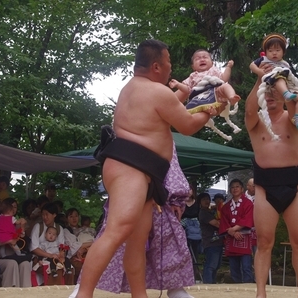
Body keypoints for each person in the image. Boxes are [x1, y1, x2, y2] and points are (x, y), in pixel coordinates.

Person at [76, 39, 219, 298]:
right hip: (131, 167)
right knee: (117, 230)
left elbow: (165, 111)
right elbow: (187, 125)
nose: (170, 68)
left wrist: (190, 97)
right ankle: (83, 294)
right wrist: (212, 110)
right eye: (168, 63)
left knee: (136, 241)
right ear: (156, 66)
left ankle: (139, 295)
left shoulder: (131, 89)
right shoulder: (156, 91)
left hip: (140, 170)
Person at [69, 143, 195, 298]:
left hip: (160, 193)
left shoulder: (162, 130)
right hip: (126, 185)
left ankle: (175, 287)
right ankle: (83, 287)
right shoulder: (124, 126)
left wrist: (175, 198)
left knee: (167, 243)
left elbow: (170, 159)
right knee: (113, 239)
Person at [246, 62, 298, 297]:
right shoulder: (255, 122)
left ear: (283, 97)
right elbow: (250, 111)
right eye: (267, 93)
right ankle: (260, 292)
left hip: (294, 183)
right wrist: (260, 79)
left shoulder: (294, 118)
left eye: (275, 92)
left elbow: (295, 100)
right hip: (265, 186)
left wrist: (280, 75)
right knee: (264, 242)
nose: (271, 96)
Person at [249, 33, 298, 130]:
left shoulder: (285, 64)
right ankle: (285, 93)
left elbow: (290, 78)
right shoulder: (264, 60)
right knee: (279, 79)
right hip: (273, 81)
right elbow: (252, 65)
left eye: (277, 50)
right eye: (270, 51)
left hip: (287, 87)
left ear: (283, 52)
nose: (274, 53)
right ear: (265, 52)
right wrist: (260, 72)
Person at [169, 49, 240, 110]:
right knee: (188, 109)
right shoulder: (193, 76)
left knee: (226, 86)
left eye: (205, 57)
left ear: (212, 63)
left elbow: (224, 79)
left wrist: (228, 67)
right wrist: (178, 85)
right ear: (193, 67)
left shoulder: (214, 70)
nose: (202, 60)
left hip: (216, 92)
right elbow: (187, 90)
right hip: (199, 97)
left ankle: (231, 97)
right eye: (197, 59)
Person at [219, 179, 254, 283]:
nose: (235, 189)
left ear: (242, 189)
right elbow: (224, 222)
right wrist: (233, 232)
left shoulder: (248, 204)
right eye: (232, 187)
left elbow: (247, 219)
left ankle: (248, 289)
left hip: (244, 237)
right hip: (231, 237)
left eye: (237, 186)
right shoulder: (226, 207)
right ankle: (237, 289)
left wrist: (233, 229)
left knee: (246, 267)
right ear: (230, 190)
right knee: (234, 268)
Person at [199, 192, 223, 284]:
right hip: (210, 242)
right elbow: (216, 224)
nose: (207, 201)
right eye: (204, 199)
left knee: (216, 266)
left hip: (218, 241)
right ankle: (208, 284)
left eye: (208, 199)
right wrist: (230, 228)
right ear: (199, 202)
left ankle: (212, 283)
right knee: (211, 265)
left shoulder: (212, 211)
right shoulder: (203, 213)